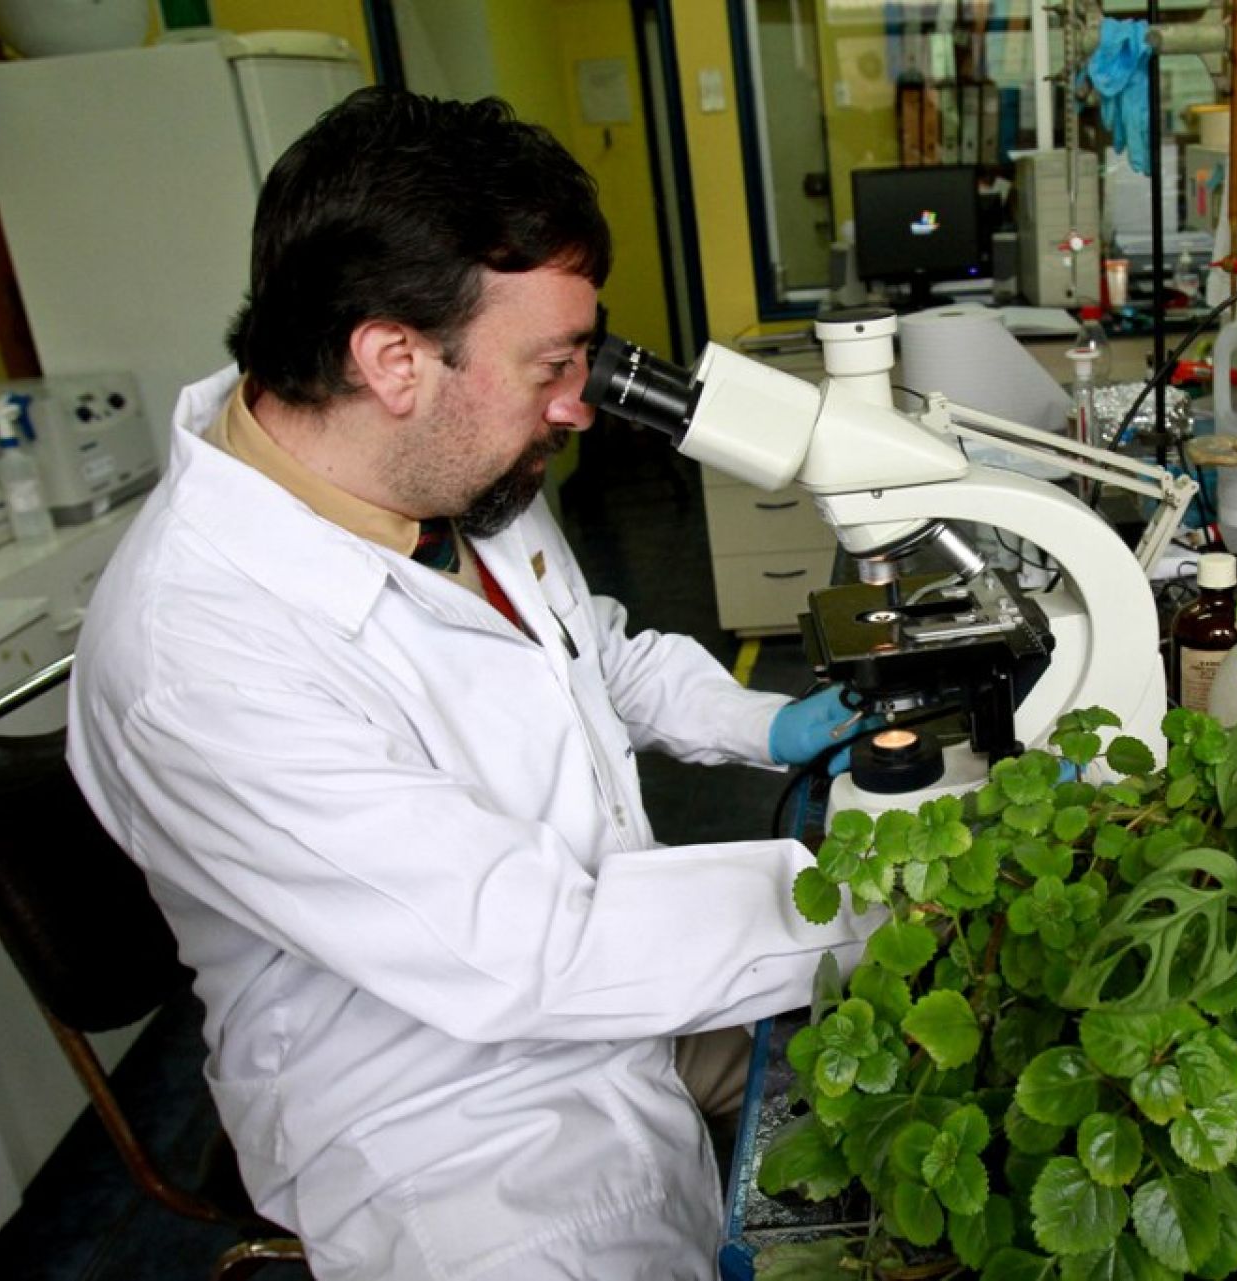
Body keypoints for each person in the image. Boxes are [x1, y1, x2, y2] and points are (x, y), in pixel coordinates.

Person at [66, 87, 877, 1280]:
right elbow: (530, 947)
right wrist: (880, 890)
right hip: (453, 1133)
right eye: (552, 365)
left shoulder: (436, 462)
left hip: (622, 980)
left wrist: (770, 723)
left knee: (934, 1057)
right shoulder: (197, 657)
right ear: (394, 358)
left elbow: (591, 651)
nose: (577, 404)